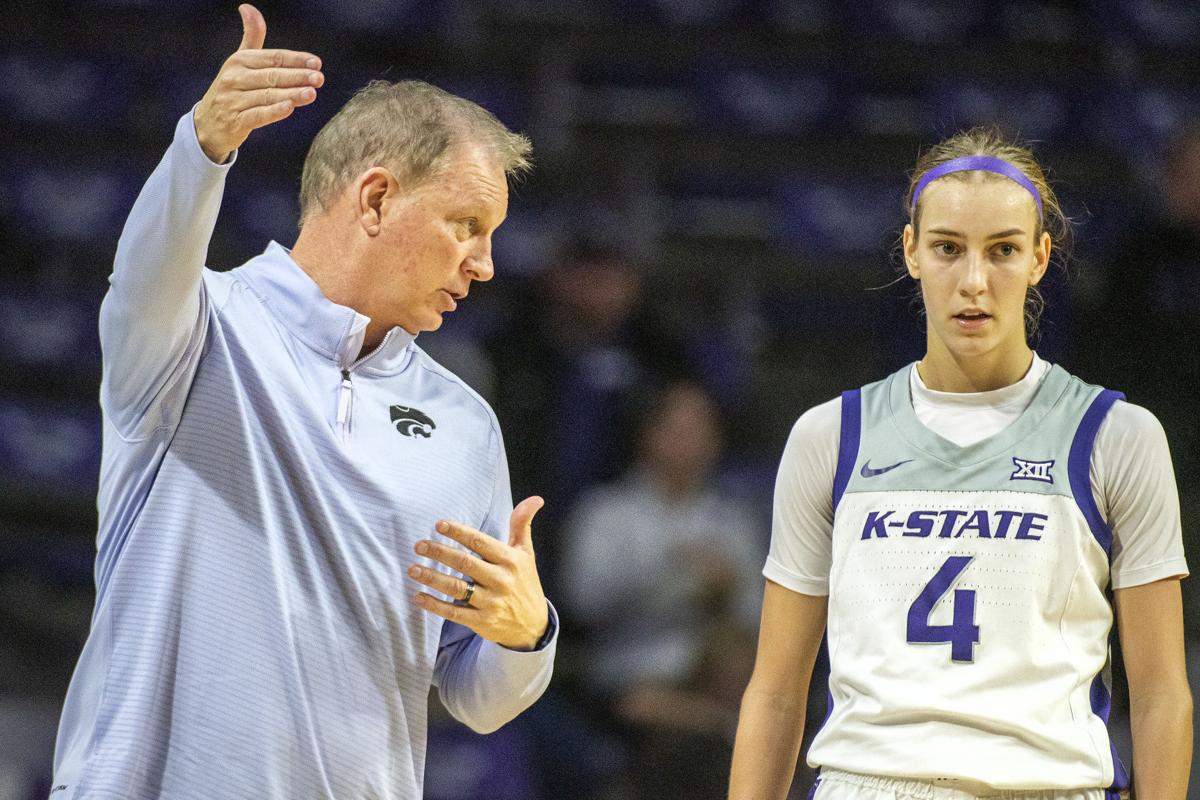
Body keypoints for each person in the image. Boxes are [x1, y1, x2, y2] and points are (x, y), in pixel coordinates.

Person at [51, 6, 557, 799]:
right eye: (467, 225)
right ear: (378, 200)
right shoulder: (195, 332)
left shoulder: (465, 425)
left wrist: (528, 635)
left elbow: (475, 696)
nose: (486, 264)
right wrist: (202, 146)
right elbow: (143, 279)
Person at [728, 128, 1192, 799]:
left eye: (1002, 250)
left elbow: (1161, 695)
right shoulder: (830, 437)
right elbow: (773, 693)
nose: (974, 281)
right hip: (869, 783)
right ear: (913, 253)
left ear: (1039, 257)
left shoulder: (1117, 436)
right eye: (949, 248)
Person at [562, 381, 763, 798]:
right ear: (646, 434)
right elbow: (581, 602)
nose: (689, 442)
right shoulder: (607, 513)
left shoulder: (732, 519)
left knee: (742, 659)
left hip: (714, 676)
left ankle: (719, 728)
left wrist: (726, 590)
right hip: (629, 673)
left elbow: (760, 620)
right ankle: (717, 727)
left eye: (700, 429)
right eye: (676, 428)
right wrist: (676, 582)